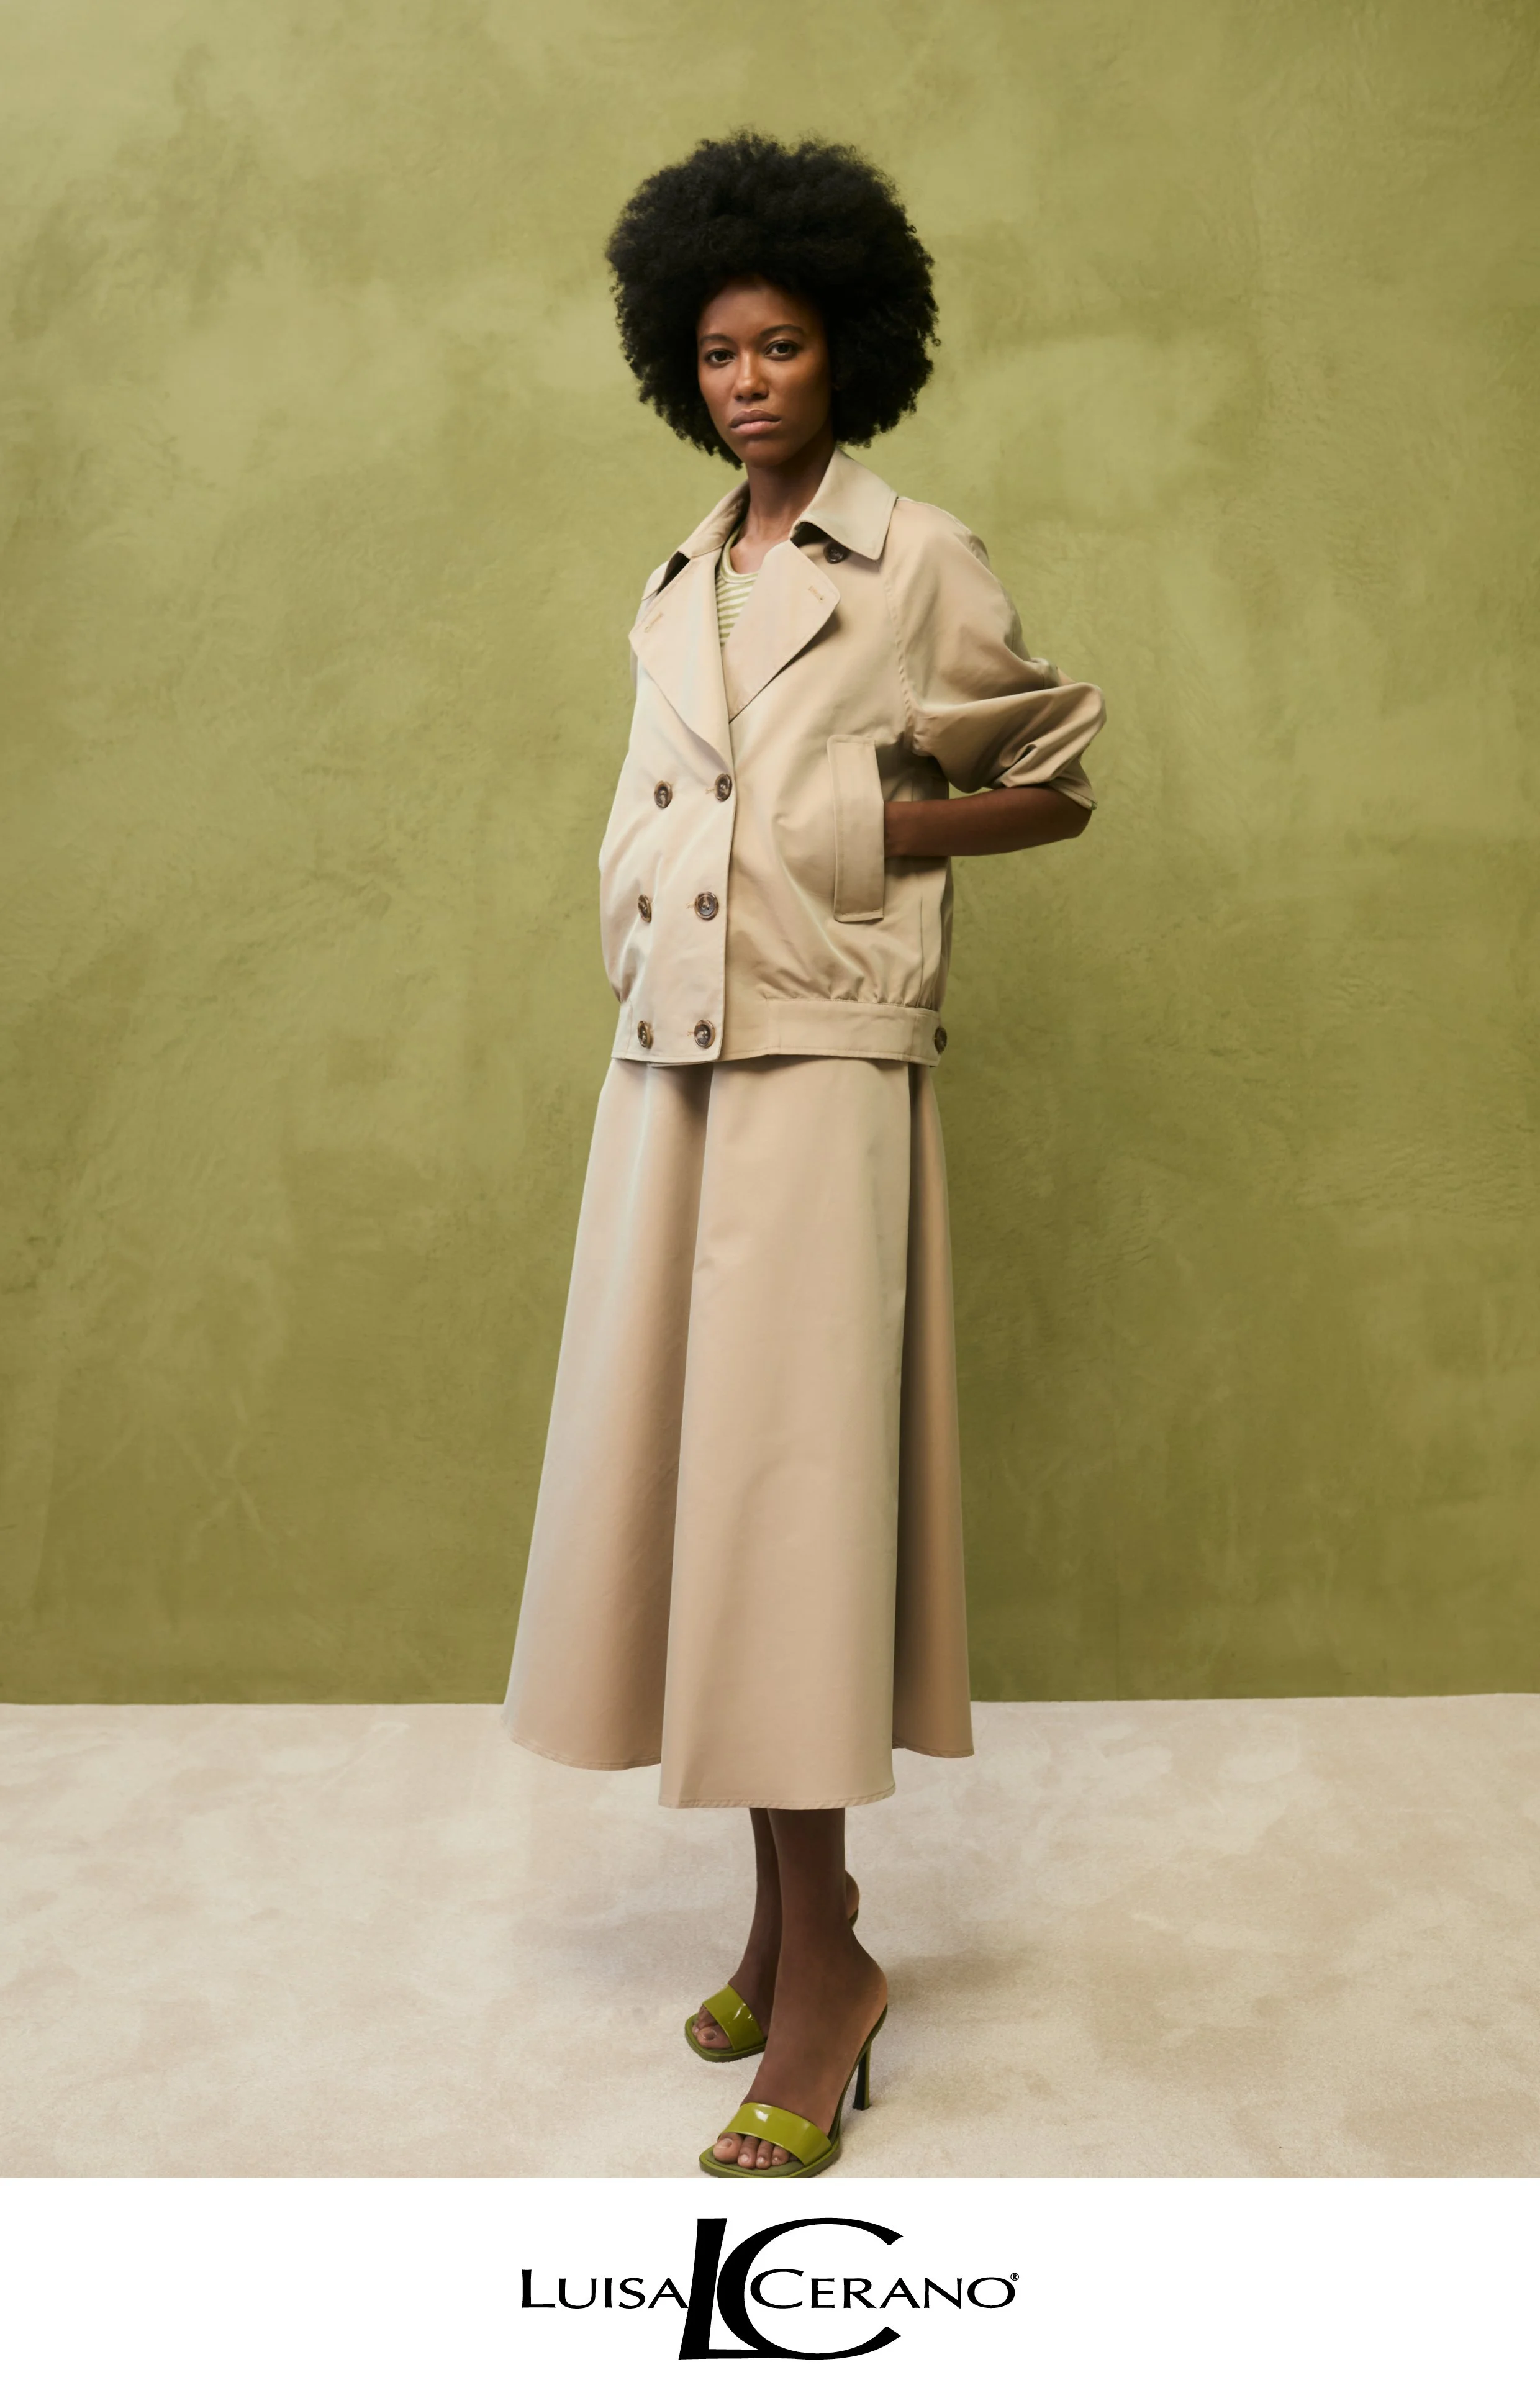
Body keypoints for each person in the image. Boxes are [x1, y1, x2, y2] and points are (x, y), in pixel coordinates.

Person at [502, 132, 1104, 2177]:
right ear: (680, 369)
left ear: (850, 346)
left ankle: (829, 1963)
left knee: (785, 1509)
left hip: (822, 1065)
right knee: (701, 1503)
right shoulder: (682, 575)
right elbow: (655, 802)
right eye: (717, 352)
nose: (750, 379)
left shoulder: (915, 555)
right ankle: (787, 1921)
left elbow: (1053, 782)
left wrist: (862, 823)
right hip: (666, 1066)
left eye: (781, 344)